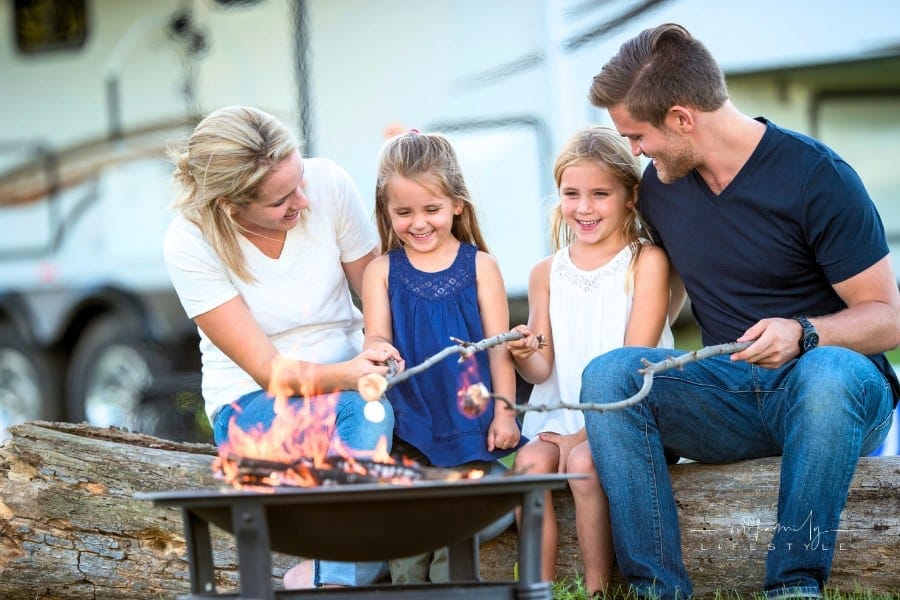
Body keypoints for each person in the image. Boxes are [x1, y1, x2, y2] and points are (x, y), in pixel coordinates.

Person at [582, 23, 900, 600]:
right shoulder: (662, 187)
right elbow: (664, 287)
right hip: (730, 393)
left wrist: (804, 333)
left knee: (828, 375)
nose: (635, 152)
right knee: (609, 375)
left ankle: (793, 586)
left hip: (834, 389)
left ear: (682, 119)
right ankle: (658, 590)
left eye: (637, 135)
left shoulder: (817, 178)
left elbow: (887, 318)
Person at [162, 105, 396, 589]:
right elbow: (268, 372)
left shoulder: (327, 182)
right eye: (282, 200)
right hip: (255, 408)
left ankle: (358, 559)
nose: (303, 202)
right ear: (230, 204)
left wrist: (376, 342)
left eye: (300, 182)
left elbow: (375, 285)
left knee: (377, 410)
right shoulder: (190, 241)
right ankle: (338, 578)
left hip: (352, 382)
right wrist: (353, 375)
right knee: (366, 412)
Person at [507, 126, 674, 594]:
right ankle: (536, 587)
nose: (584, 207)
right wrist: (524, 356)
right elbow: (542, 369)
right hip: (558, 417)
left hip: (625, 416)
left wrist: (583, 432)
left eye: (600, 194)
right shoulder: (546, 272)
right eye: (571, 193)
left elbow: (634, 361)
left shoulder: (646, 262)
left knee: (583, 463)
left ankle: (597, 588)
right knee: (529, 465)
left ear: (629, 196)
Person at [362, 129, 523, 583]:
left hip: (467, 417)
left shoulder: (480, 266)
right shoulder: (381, 271)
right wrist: (375, 347)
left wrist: (505, 414)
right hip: (409, 418)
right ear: (386, 211)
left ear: (457, 204)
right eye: (403, 212)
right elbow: (375, 333)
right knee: (408, 540)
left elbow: (499, 349)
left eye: (431, 209)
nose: (419, 223)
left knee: (453, 539)